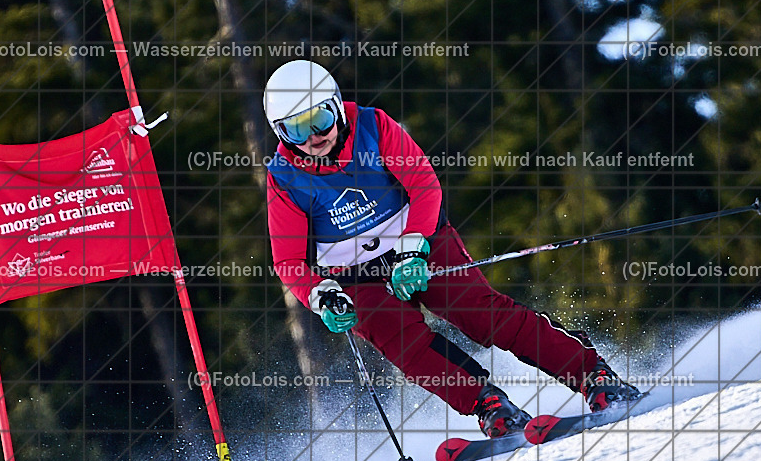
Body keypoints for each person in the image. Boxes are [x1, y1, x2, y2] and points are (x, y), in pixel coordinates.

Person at [264, 60, 641, 438]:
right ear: (281, 132)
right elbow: (289, 260)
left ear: (336, 106)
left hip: (417, 240)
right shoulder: (284, 177)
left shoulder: (373, 126)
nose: (314, 136)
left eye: (320, 119)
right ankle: (490, 406)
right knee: (407, 349)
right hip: (355, 275)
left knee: (479, 313)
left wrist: (412, 250)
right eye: (297, 128)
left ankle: (594, 375)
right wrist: (323, 296)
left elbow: (423, 184)